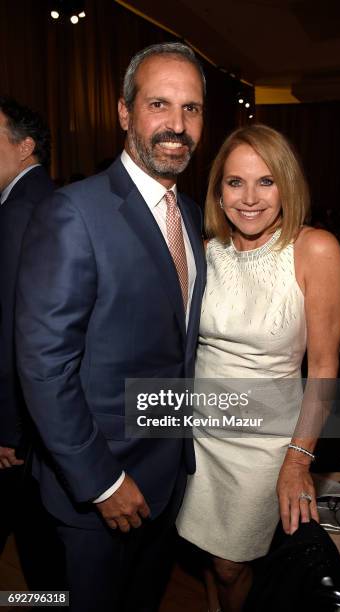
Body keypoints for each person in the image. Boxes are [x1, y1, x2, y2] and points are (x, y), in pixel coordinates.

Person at [15, 42, 206, 612]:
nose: (177, 125)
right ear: (124, 113)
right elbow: (44, 365)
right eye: (159, 105)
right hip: (98, 492)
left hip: (167, 479)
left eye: (191, 108)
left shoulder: (191, 214)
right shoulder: (74, 212)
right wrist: (103, 482)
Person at [176, 124, 340, 612]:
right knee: (208, 553)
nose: (249, 198)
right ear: (218, 190)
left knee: (233, 562)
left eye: (266, 181)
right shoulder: (208, 252)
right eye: (235, 182)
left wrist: (298, 460)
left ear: (287, 184)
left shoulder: (315, 249)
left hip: (264, 443)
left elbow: (326, 367)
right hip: (199, 433)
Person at [0, 97, 55, 556]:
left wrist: (7, 427)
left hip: (20, 421)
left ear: (25, 147)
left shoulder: (21, 209)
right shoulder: (42, 198)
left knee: (36, 546)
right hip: (34, 418)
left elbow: (14, 325)